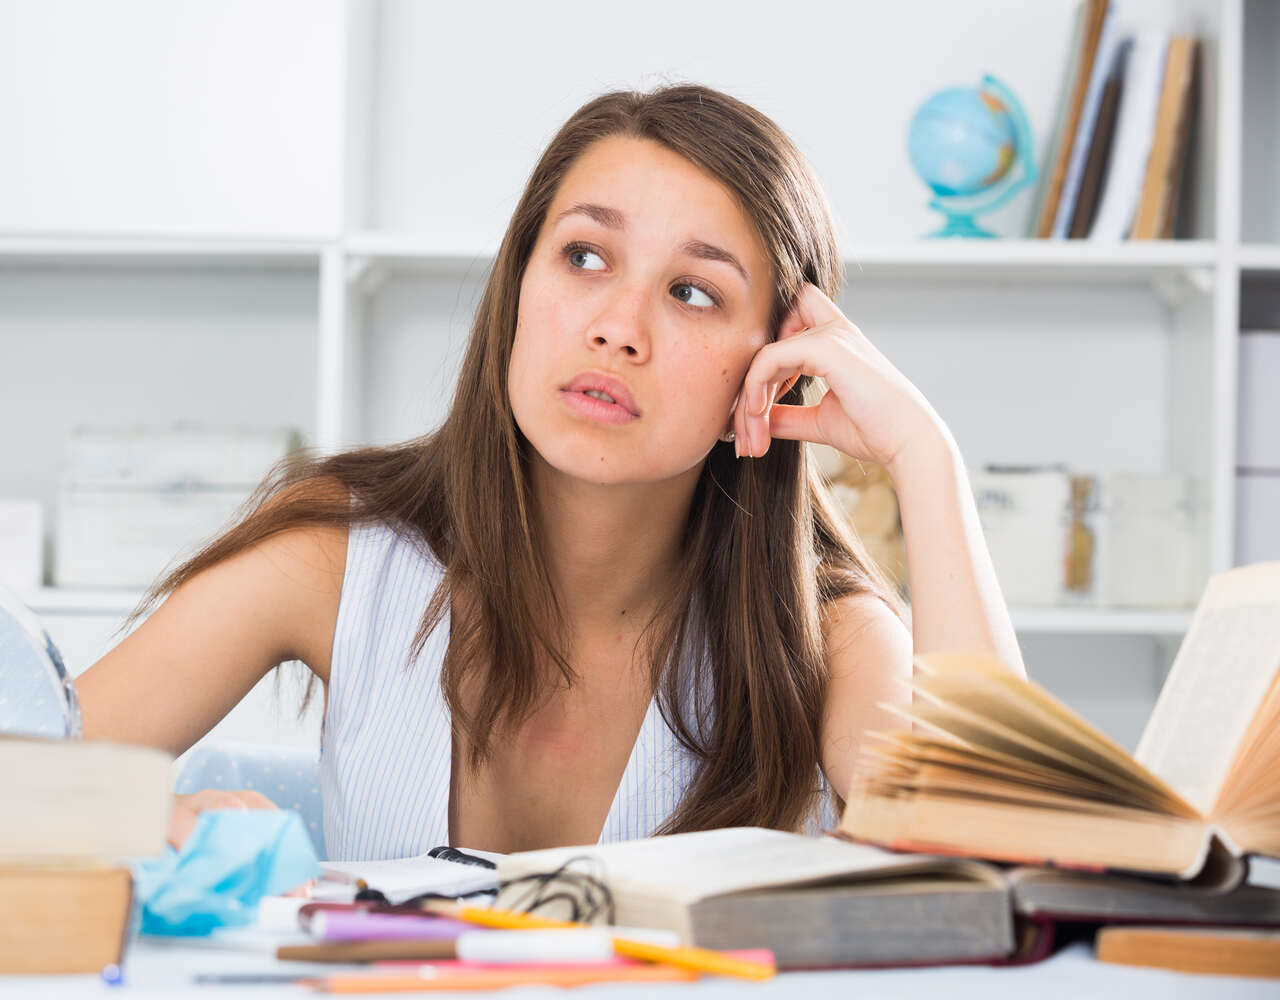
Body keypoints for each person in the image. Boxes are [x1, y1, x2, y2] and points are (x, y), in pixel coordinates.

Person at [74, 83, 1026, 859]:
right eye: (583, 256)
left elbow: (1001, 856)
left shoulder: (826, 637)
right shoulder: (335, 554)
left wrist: (924, 458)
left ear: (777, 360)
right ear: (519, 284)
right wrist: (142, 818)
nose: (618, 326)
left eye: (693, 292)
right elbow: (26, 781)